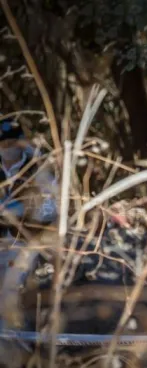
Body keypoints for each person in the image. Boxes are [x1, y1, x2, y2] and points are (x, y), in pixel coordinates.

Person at [0, 116, 58, 326]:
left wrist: (22, 209)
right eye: (3, 144)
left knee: (11, 294)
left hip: (25, 242)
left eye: (12, 143)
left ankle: (18, 348)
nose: (7, 149)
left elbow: (52, 207)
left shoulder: (39, 169)